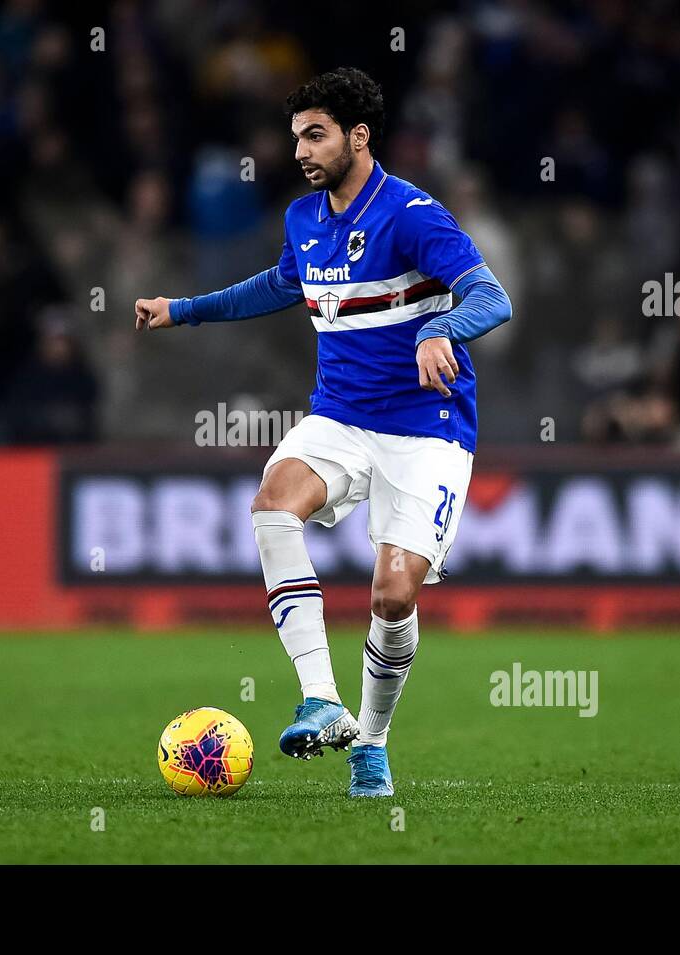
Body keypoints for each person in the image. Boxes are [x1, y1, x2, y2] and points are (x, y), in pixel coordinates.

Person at [135, 68, 512, 797]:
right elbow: (279, 284)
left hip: (426, 427)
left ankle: (370, 742)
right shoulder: (303, 218)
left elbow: (491, 296)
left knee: (393, 596)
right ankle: (321, 699)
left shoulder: (413, 215)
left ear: (358, 136)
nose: (301, 151)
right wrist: (182, 309)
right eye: (297, 137)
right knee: (273, 505)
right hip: (340, 415)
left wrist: (441, 329)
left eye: (316, 135)